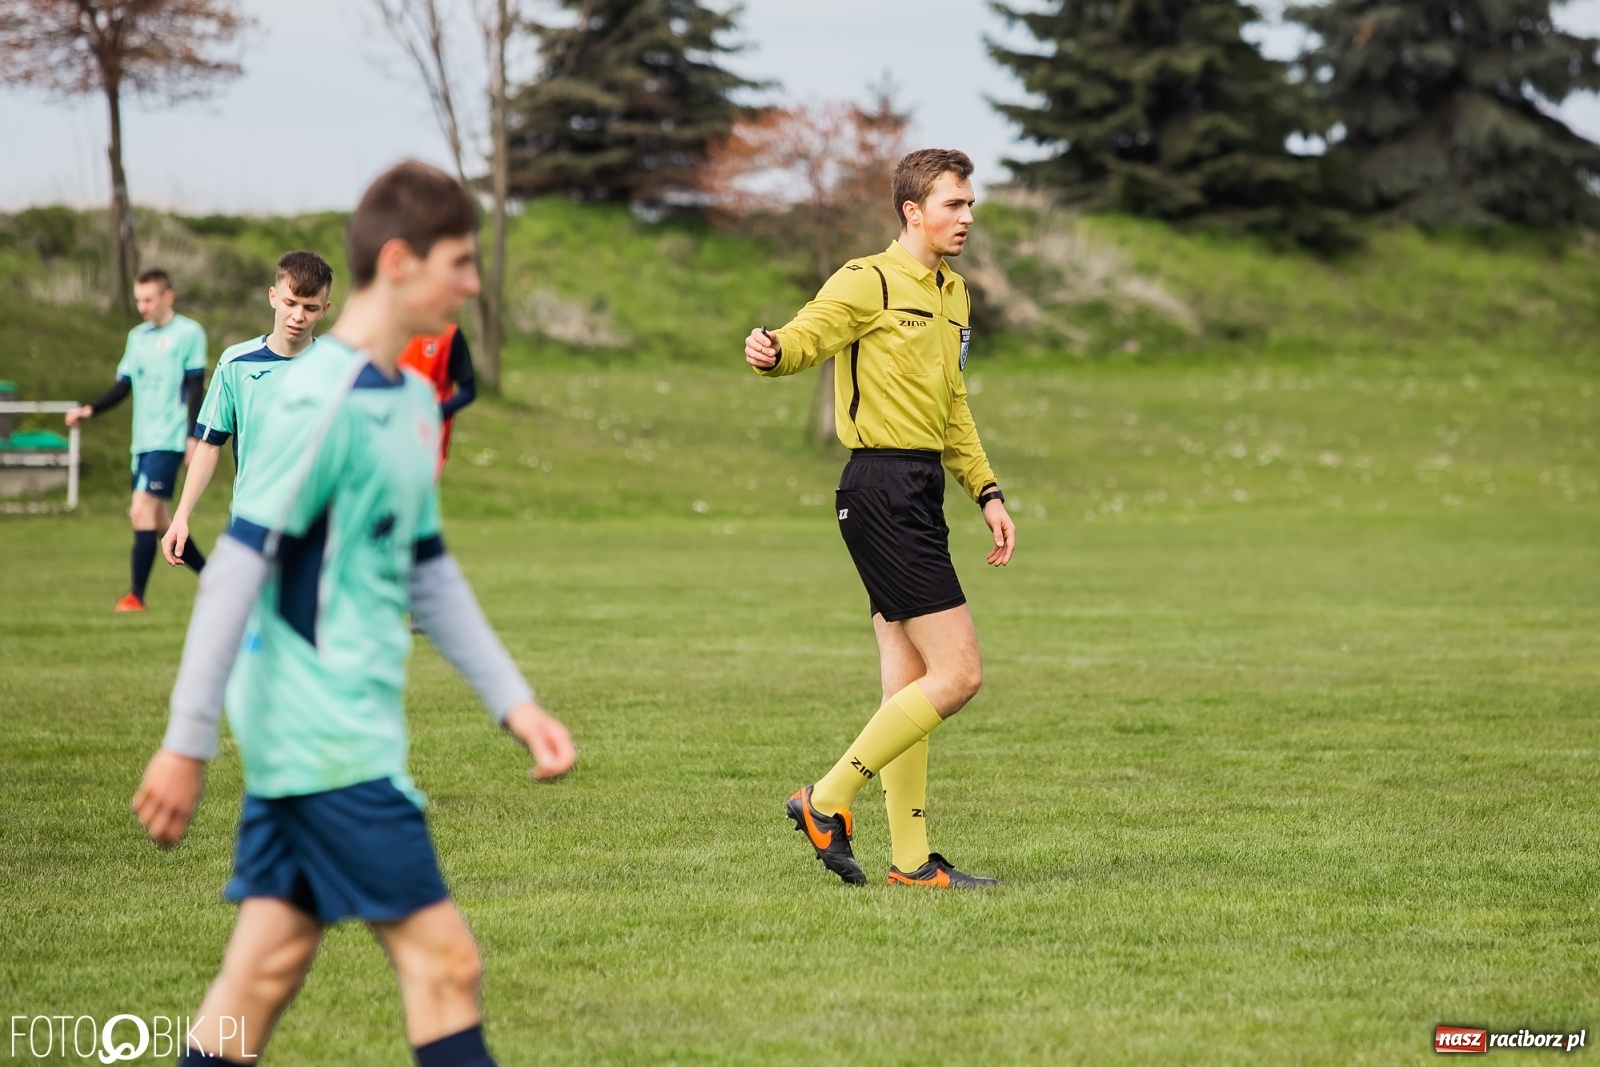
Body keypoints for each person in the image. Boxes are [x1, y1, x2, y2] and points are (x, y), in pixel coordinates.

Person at [131, 161, 577, 1067]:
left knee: (258, 980)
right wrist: (186, 740)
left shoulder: (413, 400)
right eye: (460, 260)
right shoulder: (309, 401)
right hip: (323, 740)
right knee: (446, 963)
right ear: (404, 262)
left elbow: (427, 571)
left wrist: (515, 703)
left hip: (343, 735)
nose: (473, 283)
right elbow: (234, 575)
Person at [744, 148, 1017, 889]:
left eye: (969, 204)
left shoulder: (954, 295)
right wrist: (772, 352)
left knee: (910, 686)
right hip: (879, 488)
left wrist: (986, 491)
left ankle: (910, 861)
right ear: (912, 211)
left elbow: (953, 405)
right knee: (957, 674)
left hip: (919, 485)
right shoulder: (867, 279)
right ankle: (826, 797)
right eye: (953, 204)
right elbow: (809, 334)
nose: (966, 217)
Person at [161, 251, 335, 567]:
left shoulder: (340, 370)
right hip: (253, 521)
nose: (298, 316)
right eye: (290, 303)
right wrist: (181, 516)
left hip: (322, 527)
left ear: (324, 309)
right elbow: (209, 446)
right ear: (273, 297)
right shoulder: (236, 364)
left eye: (310, 308)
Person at [66, 270, 208, 611]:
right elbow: (123, 385)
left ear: (167, 297)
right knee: (159, 521)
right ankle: (214, 576)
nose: (142, 306)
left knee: (141, 512)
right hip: (141, 442)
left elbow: (194, 388)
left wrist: (193, 437)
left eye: (148, 299)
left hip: (169, 438)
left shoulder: (189, 333)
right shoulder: (137, 337)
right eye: (138, 300)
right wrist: (91, 410)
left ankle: (136, 597)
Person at [399, 323, 477, 475]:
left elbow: (469, 390)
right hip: (393, 421)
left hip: (430, 432)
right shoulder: (391, 324)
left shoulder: (449, 334)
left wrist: (437, 411)